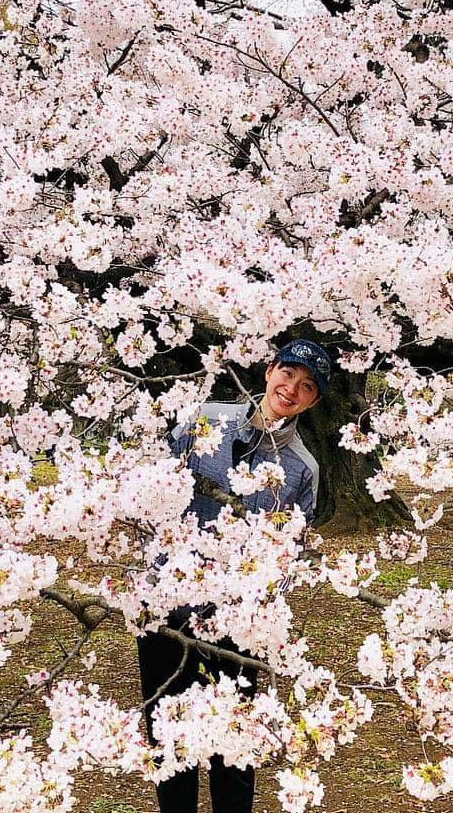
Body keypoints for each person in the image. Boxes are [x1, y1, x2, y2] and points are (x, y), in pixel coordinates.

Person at [137, 338, 331, 813]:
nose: (292, 389)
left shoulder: (302, 470)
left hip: (239, 622)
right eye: (287, 374)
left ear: (314, 401)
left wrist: (257, 608)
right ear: (269, 371)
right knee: (170, 732)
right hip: (168, 605)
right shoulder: (204, 419)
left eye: (306, 387)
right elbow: (149, 492)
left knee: (235, 744)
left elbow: (288, 555)